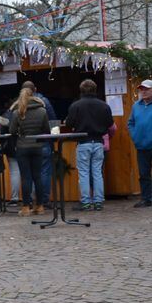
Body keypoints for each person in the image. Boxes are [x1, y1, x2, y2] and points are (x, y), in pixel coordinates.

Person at [65, 79, 114, 211]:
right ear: (95, 90)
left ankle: (86, 202)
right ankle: (98, 202)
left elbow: (69, 123)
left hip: (83, 142)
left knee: (84, 173)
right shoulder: (104, 106)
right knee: (97, 172)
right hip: (98, 142)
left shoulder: (76, 106)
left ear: (81, 90)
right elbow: (110, 124)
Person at [8, 87, 50, 217]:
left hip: (22, 147)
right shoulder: (42, 111)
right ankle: (40, 206)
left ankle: (26, 207)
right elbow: (46, 130)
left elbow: (12, 131)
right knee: (37, 177)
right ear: (33, 95)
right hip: (37, 147)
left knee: (26, 177)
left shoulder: (18, 112)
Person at [22, 80, 57, 203]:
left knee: (28, 173)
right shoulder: (44, 102)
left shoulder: (20, 104)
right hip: (43, 142)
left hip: (25, 143)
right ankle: (43, 200)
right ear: (35, 89)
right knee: (44, 172)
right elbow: (52, 122)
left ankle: (30, 200)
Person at [127, 79, 152, 207]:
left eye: (147, 89)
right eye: (142, 89)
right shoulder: (136, 106)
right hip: (141, 145)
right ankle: (146, 199)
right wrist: (135, 136)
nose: (144, 91)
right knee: (143, 174)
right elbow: (130, 123)